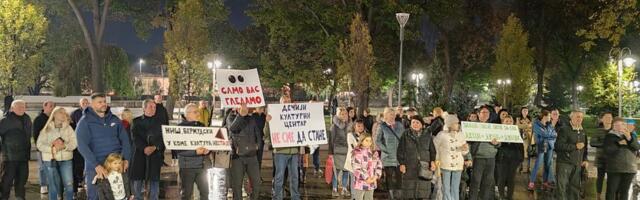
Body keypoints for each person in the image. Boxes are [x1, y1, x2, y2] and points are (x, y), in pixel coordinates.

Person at [76, 93, 132, 200]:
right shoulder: (85, 122)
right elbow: (82, 146)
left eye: (104, 102)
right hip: (95, 167)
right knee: (95, 196)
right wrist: (96, 165)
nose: (103, 104)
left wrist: (126, 159)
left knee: (118, 195)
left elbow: (125, 141)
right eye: (100, 102)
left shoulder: (115, 120)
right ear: (92, 104)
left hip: (115, 166)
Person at [37, 107, 77, 200]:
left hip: (66, 160)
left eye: (64, 113)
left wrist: (65, 146)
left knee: (69, 185)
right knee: (53, 186)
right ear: (54, 114)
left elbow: (75, 143)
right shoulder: (46, 128)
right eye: (61, 113)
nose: (64, 114)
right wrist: (53, 149)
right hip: (50, 160)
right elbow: (39, 145)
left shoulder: (69, 128)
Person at [264, 96, 300, 200]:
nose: (287, 103)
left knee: (295, 177)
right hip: (280, 151)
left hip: (293, 151)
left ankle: (295, 197)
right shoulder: (274, 115)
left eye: (289, 101)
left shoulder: (295, 114)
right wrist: (267, 122)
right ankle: (277, 197)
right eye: (285, 101)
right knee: (279, 177)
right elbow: (266, 134)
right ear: (280, 103)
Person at [130, 99, 165, 200]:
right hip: (140, 154)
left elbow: (163, 138)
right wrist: (144, 148)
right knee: (138, 180)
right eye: (150, 107)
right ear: (144, 108)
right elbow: (135, 137)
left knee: (154, 181)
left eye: (154, 107)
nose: (153, 109)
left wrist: (155, 147)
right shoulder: (136, 121)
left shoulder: (160, 122)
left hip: (155, 155)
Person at [227, 103, 261, 200]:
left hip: (252, 156)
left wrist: (258, 146)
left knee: (257, 183)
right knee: (237, 185)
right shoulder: (231, 117)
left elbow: (257, 133)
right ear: (237, 107)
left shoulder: (251, 118)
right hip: (237, 157)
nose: (245, 108)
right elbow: (232, 129)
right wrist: (240, 115)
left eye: (246, 106)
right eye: (242, 106)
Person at [397, 115, 436, 199]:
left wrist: (432, 162)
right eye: (413, 122)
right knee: (409, 192)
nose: (415, 124)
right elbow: (400, 150)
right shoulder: (405, 134)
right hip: (409, 166)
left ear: (422, 124)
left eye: (417, 122)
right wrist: (402, 163)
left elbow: (432, 150)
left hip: (424, 166)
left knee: (423, 192)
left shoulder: (427, 135)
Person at [177, 103, 211, 200]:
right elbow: (178, 150)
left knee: (205, 193)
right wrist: (195, 152)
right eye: (195, 112)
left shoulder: (202, 126)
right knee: (186, 195)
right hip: (187, 167)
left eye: (198, 112)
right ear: (187, 114)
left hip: (202, 166)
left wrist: (208, 150)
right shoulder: (179, 128)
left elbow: (208, 143)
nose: (198, 114)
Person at [0, 100, 32, 200]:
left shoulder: (27, 118)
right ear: (12, 108)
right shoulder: (5, 120)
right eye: (18, 107)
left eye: (23, 106)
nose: (21, 108)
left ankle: (20, 198)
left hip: (24, 157)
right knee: (7, 181)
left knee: (22, 180)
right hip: (9, 157)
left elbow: (28, 136)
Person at [434, 115, 469, 200]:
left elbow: (464, 151)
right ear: (450, 124)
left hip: (458, 164)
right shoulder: (441, 134)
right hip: (445, 164)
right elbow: (436, 148)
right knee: (446, 187)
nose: (458, 125)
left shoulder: (461, 135)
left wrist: (465, 149)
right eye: (456, 123)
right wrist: (437, 160)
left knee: (455, 188)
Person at [469, 105, 500, 200]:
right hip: (478, 157)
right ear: (478, 114)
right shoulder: (472, 126)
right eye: (483, 112)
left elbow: (499, 143)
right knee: (475, 181)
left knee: (487, 182)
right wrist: (469, 157)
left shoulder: (493, 127)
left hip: (491, 158)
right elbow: (468, 143)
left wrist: (497, 143)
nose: (485, 114)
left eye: (487, 112)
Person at [555, 110, 588, 200]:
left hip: (577, 164)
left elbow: (585, 148)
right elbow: (558, 146)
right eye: (577, 117)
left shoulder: (582, 131)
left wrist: (585, 159)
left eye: (581, 117)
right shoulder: (564, 129)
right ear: (571, 117)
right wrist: (575, 146)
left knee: (574, 188)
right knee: (562, 188)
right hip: (564, 163)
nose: (580, 119)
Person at [604, 118, 639, 200]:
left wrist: (629, 137)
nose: (620, 127)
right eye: (617, 125)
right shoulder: (609, 136)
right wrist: (619, 144)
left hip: (629, 168)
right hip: (614, 169)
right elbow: (608, 150)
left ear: (625, 126)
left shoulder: (632, 135)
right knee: (611, 191)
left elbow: (636, 147)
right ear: (613, 127)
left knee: (624, 191)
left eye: (622, 125)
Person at [376, 107, 405, 199]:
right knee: (389, 177)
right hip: (387, 156)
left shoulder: (400, 125)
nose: (392, 116)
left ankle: (399, 196)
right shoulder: (382, 126)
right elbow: (377, 141)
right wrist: (386, 149)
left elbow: (404, 138)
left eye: (393, 114)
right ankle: (391, 196)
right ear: (385, 116)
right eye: (390, 114)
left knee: (399, 176)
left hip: (399, 156)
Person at [496, 115, 524, 200]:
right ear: (502, 123)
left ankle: (509, 197)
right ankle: (501, 196)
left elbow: (521, 147)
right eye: (506, 121)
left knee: (511, 178)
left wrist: (521, 158)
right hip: (502, 158)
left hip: (514, 158)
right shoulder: (498, 132)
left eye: (510, 121)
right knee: (502, 178)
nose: (508, 123)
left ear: (513, 123)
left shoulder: (517, 132)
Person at [528, 110, 556, 191]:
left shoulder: (549, 124)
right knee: (537, 164)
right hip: (541, 146)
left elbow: (555, 134)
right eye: (549, 116)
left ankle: (545, 181)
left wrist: (549, 134)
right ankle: (531, 182)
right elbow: (544, 134)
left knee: (547, 164)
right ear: (544, 116)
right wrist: (549, 134)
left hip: (550, 146)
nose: (550, 118)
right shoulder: (536, 124)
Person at [329, 107, 352, 197]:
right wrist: (330, 153)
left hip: (347, 152)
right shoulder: (334, 127)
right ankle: (334, 189)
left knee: (346, 171)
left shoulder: (350, 125)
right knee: (336, 171)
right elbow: (331, 140)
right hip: (337, 152)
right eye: (342, 114)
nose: (344, 116)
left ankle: (344, 188)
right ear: (338, 115)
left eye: (345, 114)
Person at [351, 134, 382, 200]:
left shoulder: (374, 152)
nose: (369, 143)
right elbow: (356, 169)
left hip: (372, 181)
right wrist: (366, 178)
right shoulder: (357, 153)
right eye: (366, 140)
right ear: (361, 141)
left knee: (369, 198)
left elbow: (379, 165)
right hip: (361, 183)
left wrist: (375, 176)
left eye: (370, 141)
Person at [33, 101, 54, 194]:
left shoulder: (53, 118)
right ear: (44, 106)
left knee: (52, 166)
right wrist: (39, 146)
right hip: (42, 147)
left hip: (53, 147)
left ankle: (52, 185)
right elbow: (35, 134)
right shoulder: (39, 119)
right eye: (50, 106)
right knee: (42, 167)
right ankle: (43, 185)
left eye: (53, 106)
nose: (52, 108)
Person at [591, 111, 613, 199]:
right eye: (607, 117)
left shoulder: (614, 130)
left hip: (613, 160)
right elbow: (592, 143)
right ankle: (598, 196)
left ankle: (610, 195)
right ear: (602, 119)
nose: (609, 119)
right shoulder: (598, 130)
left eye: (610, 117)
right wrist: (605, 144)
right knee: (600, 178)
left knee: (611, 179)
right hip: (601, 159)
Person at [70, 97, 90, 195]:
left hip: (89, 142)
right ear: (80, 104)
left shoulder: (92, 113)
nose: (85, 104)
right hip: (77, 143)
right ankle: (79, 182)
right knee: (78, 163)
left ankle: (85, 181)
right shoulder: (75, 113)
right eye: (83, 102)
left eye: (87, 102)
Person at [346, 119, 367, 196]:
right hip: (353, 161)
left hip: (364, 161)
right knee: (354, 179)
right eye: (358, 126)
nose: (360, 127)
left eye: (362, 126)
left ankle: (360, 195)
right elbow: (353, 148)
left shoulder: (366, 135)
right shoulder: (350, 135)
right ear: (354, 127)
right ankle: (354, 195)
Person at [516, 106, 533, 173]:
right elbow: (518, 126)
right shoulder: (518, 118)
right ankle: (521, 166)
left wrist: (524, 125)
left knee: (528, 152)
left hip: (528, 138)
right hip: (520, 137)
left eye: (526, 110)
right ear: (521, 111)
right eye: (524, 110)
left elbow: (531, 126)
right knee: (521, 152)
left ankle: (529, 167)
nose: (525, 112)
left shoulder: (530, 118)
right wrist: (526, 126)